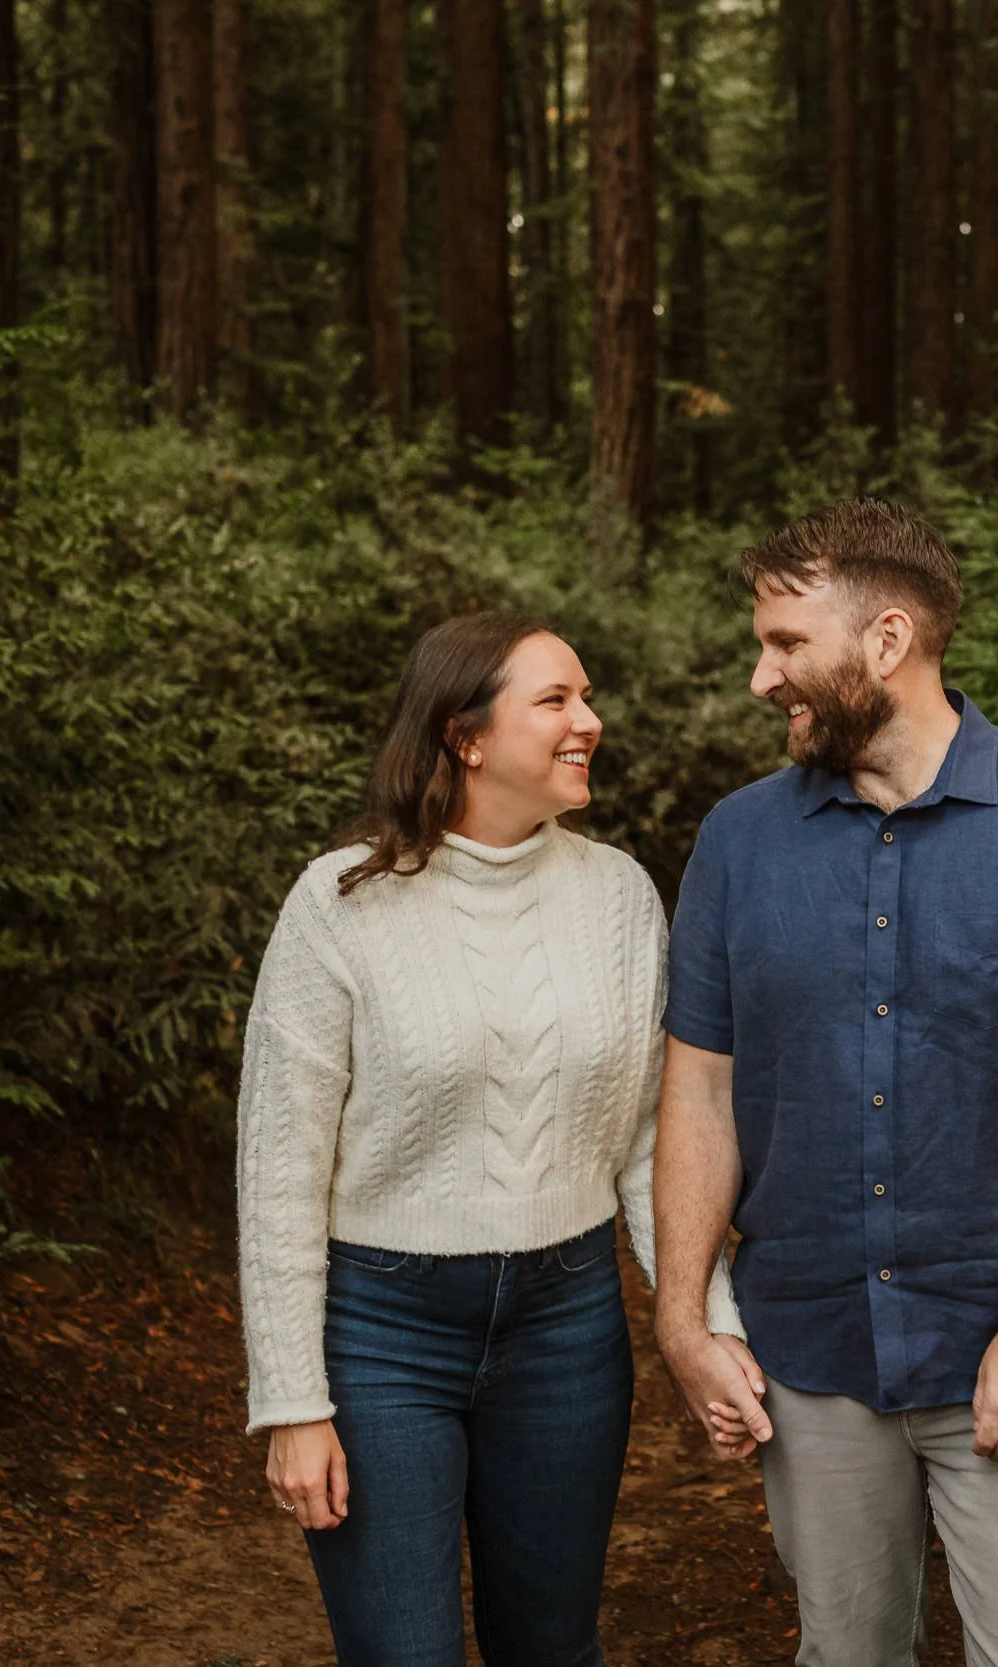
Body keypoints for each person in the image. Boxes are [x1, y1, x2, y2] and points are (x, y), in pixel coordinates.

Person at [651, 500, 998, 1667]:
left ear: (886, 641)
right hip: (813, 1353)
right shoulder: (738, 843)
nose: (761, 676)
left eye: (786, 643)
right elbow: (697, 1093)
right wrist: (682, 1315)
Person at [235, 611, 741, 1667]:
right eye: (555, 699)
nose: (588, 721)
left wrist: (705, 1317)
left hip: (568, 1324)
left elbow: (653, 1137)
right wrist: (291, 1400)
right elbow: (280, 1166)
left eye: (586, 696)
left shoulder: (619, 896)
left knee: (552, 1647)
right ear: (465, 734)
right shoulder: (337, 904)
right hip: (382, 1333)